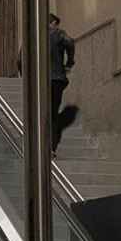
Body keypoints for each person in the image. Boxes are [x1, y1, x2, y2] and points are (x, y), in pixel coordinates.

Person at [48, 13, 79, 152]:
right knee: (54, 113)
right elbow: (70, 42)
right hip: (56, 79)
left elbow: (21, 57)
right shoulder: (58, 34)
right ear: (53, 22)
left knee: (39, 112)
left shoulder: (34, 34)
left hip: (39, 81)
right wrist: (69, 64)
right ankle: (52, 147)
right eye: (56, 23)